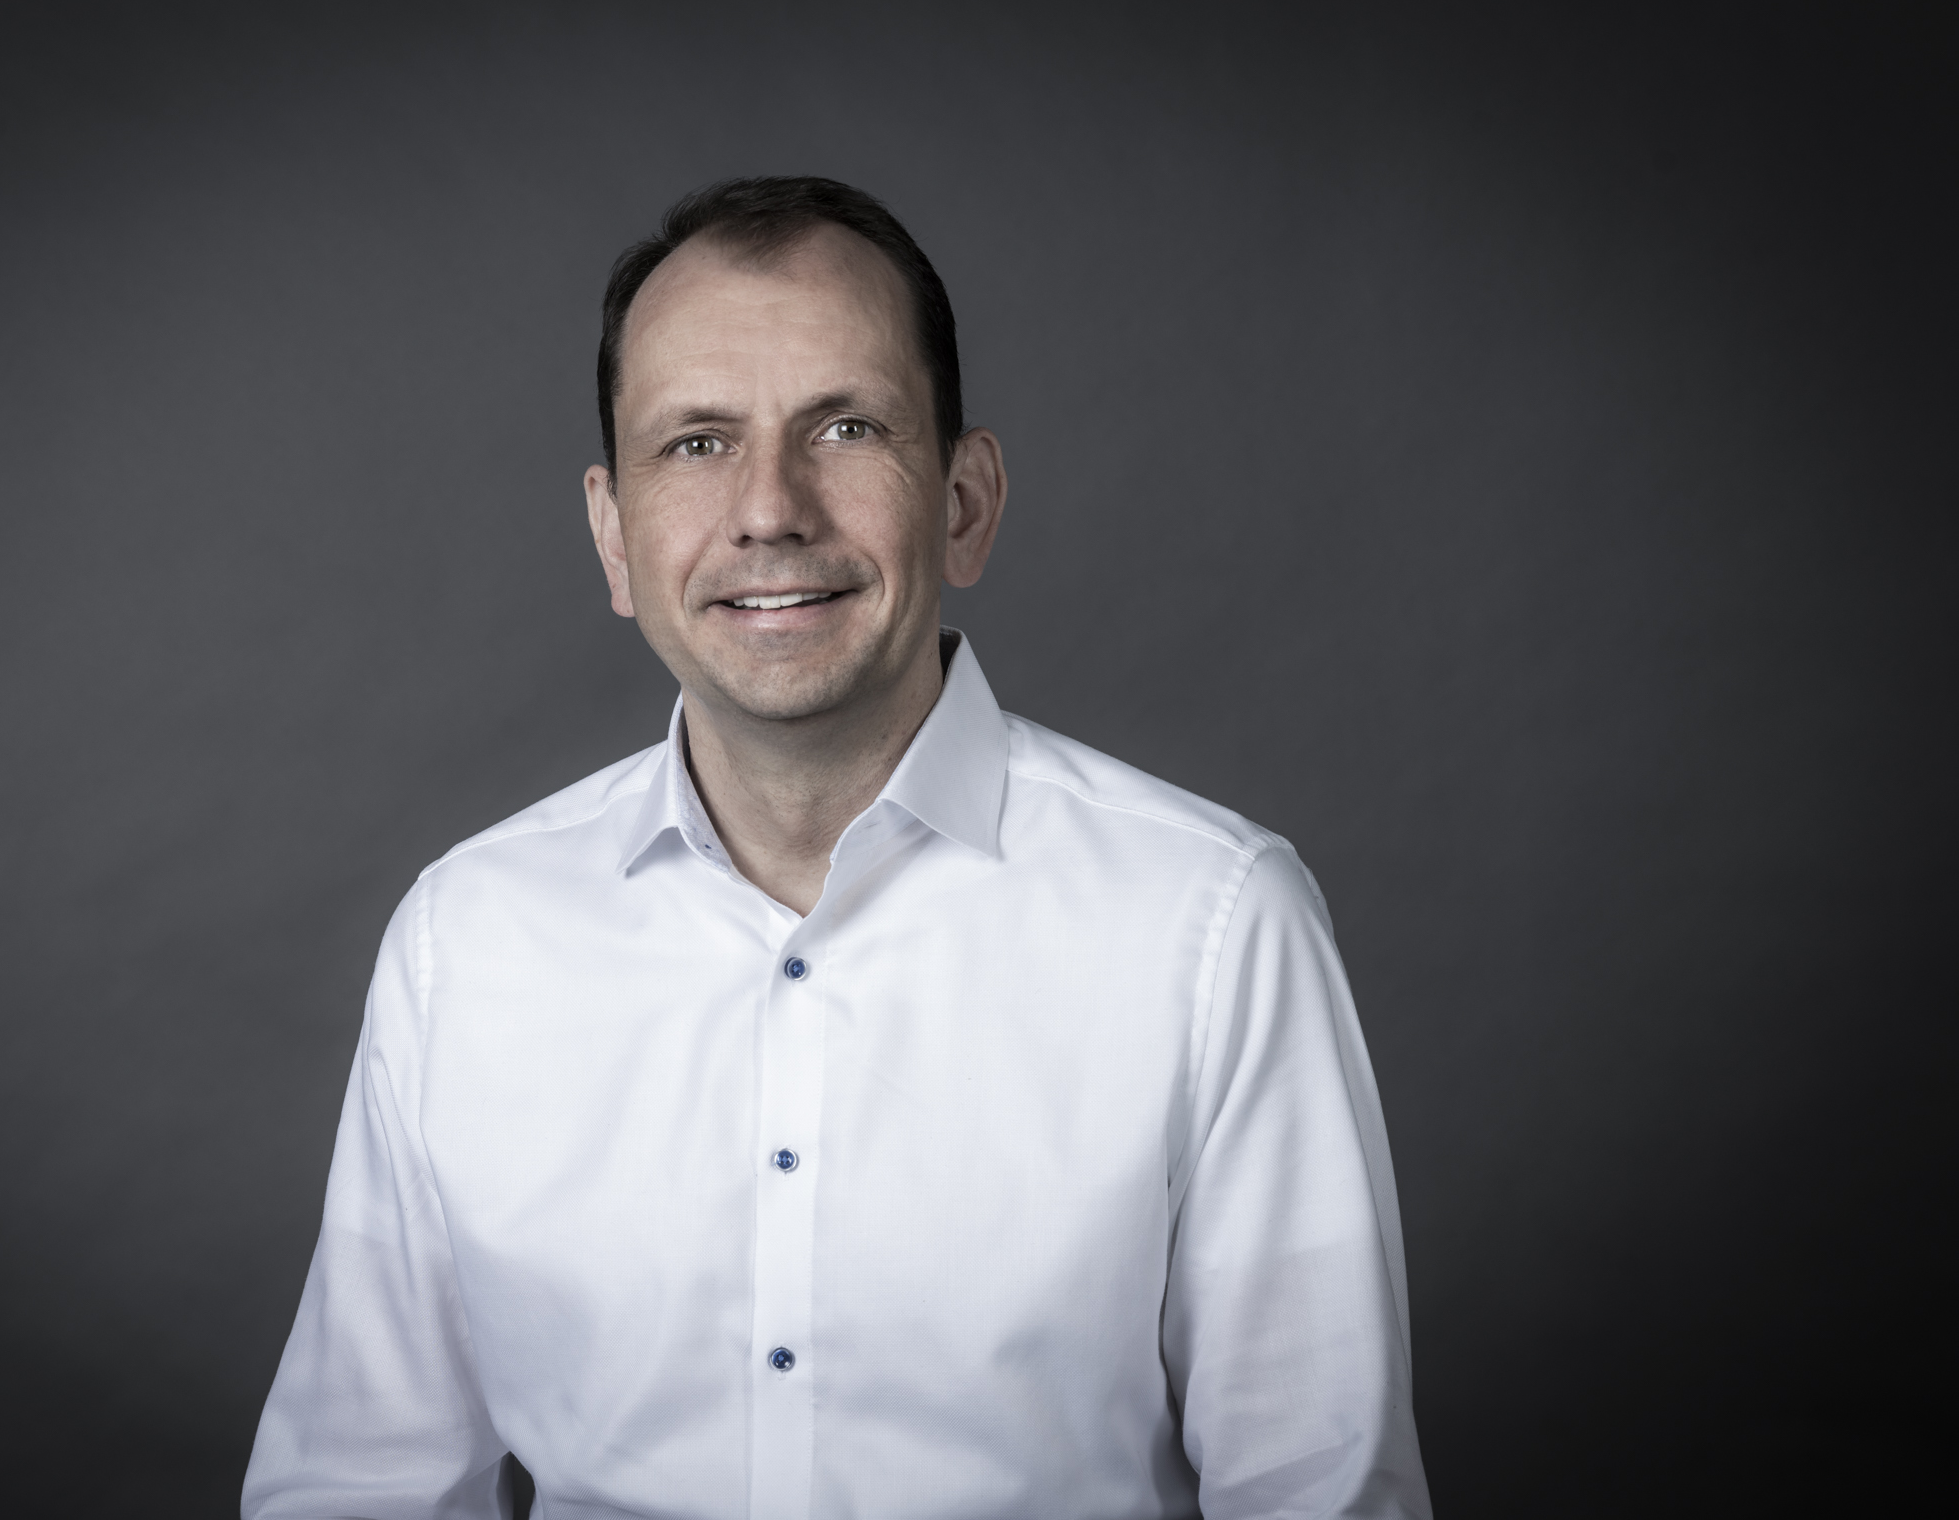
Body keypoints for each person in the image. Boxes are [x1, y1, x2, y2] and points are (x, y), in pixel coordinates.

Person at [241, 176, 1431, 1520]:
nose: (770, 509)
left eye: (846, 427)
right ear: (613, 535)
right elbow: (360, 1487)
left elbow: (1318, 1497)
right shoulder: (467, 939)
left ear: (965, 501)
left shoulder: (1212, 926)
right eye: (697, 442)